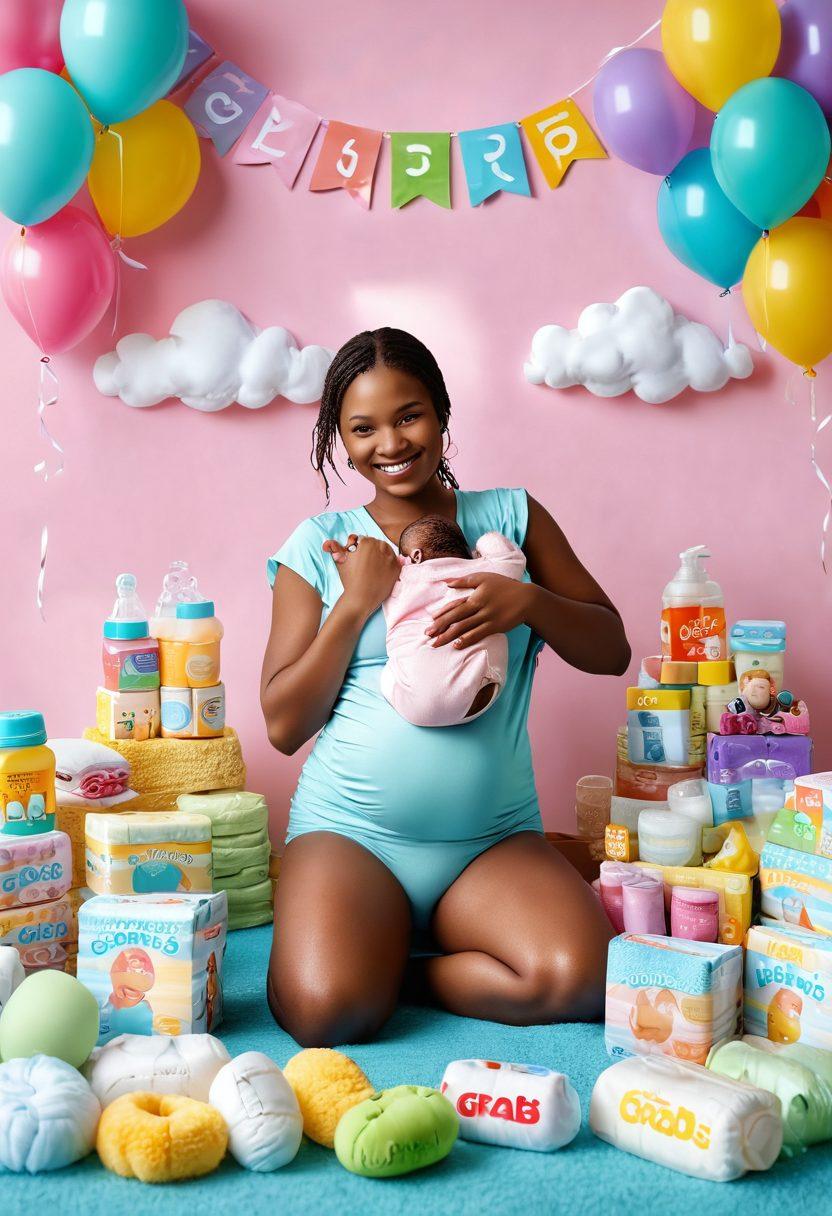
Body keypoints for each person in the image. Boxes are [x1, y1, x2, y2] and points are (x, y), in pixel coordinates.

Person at [261, 327, 630, 1047]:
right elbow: (282, 724)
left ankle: (401, 971)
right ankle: (365, 955)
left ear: (442, 413)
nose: (390, 443)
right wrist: (355, 601)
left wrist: (530, 604)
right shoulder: (321, 543)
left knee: (582, 979)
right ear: (340, 437)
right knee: (324, 1011)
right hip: (353, 836)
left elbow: (611, 650)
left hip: (490, 844)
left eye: (409, 415)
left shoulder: (511, 519)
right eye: (362, 428)